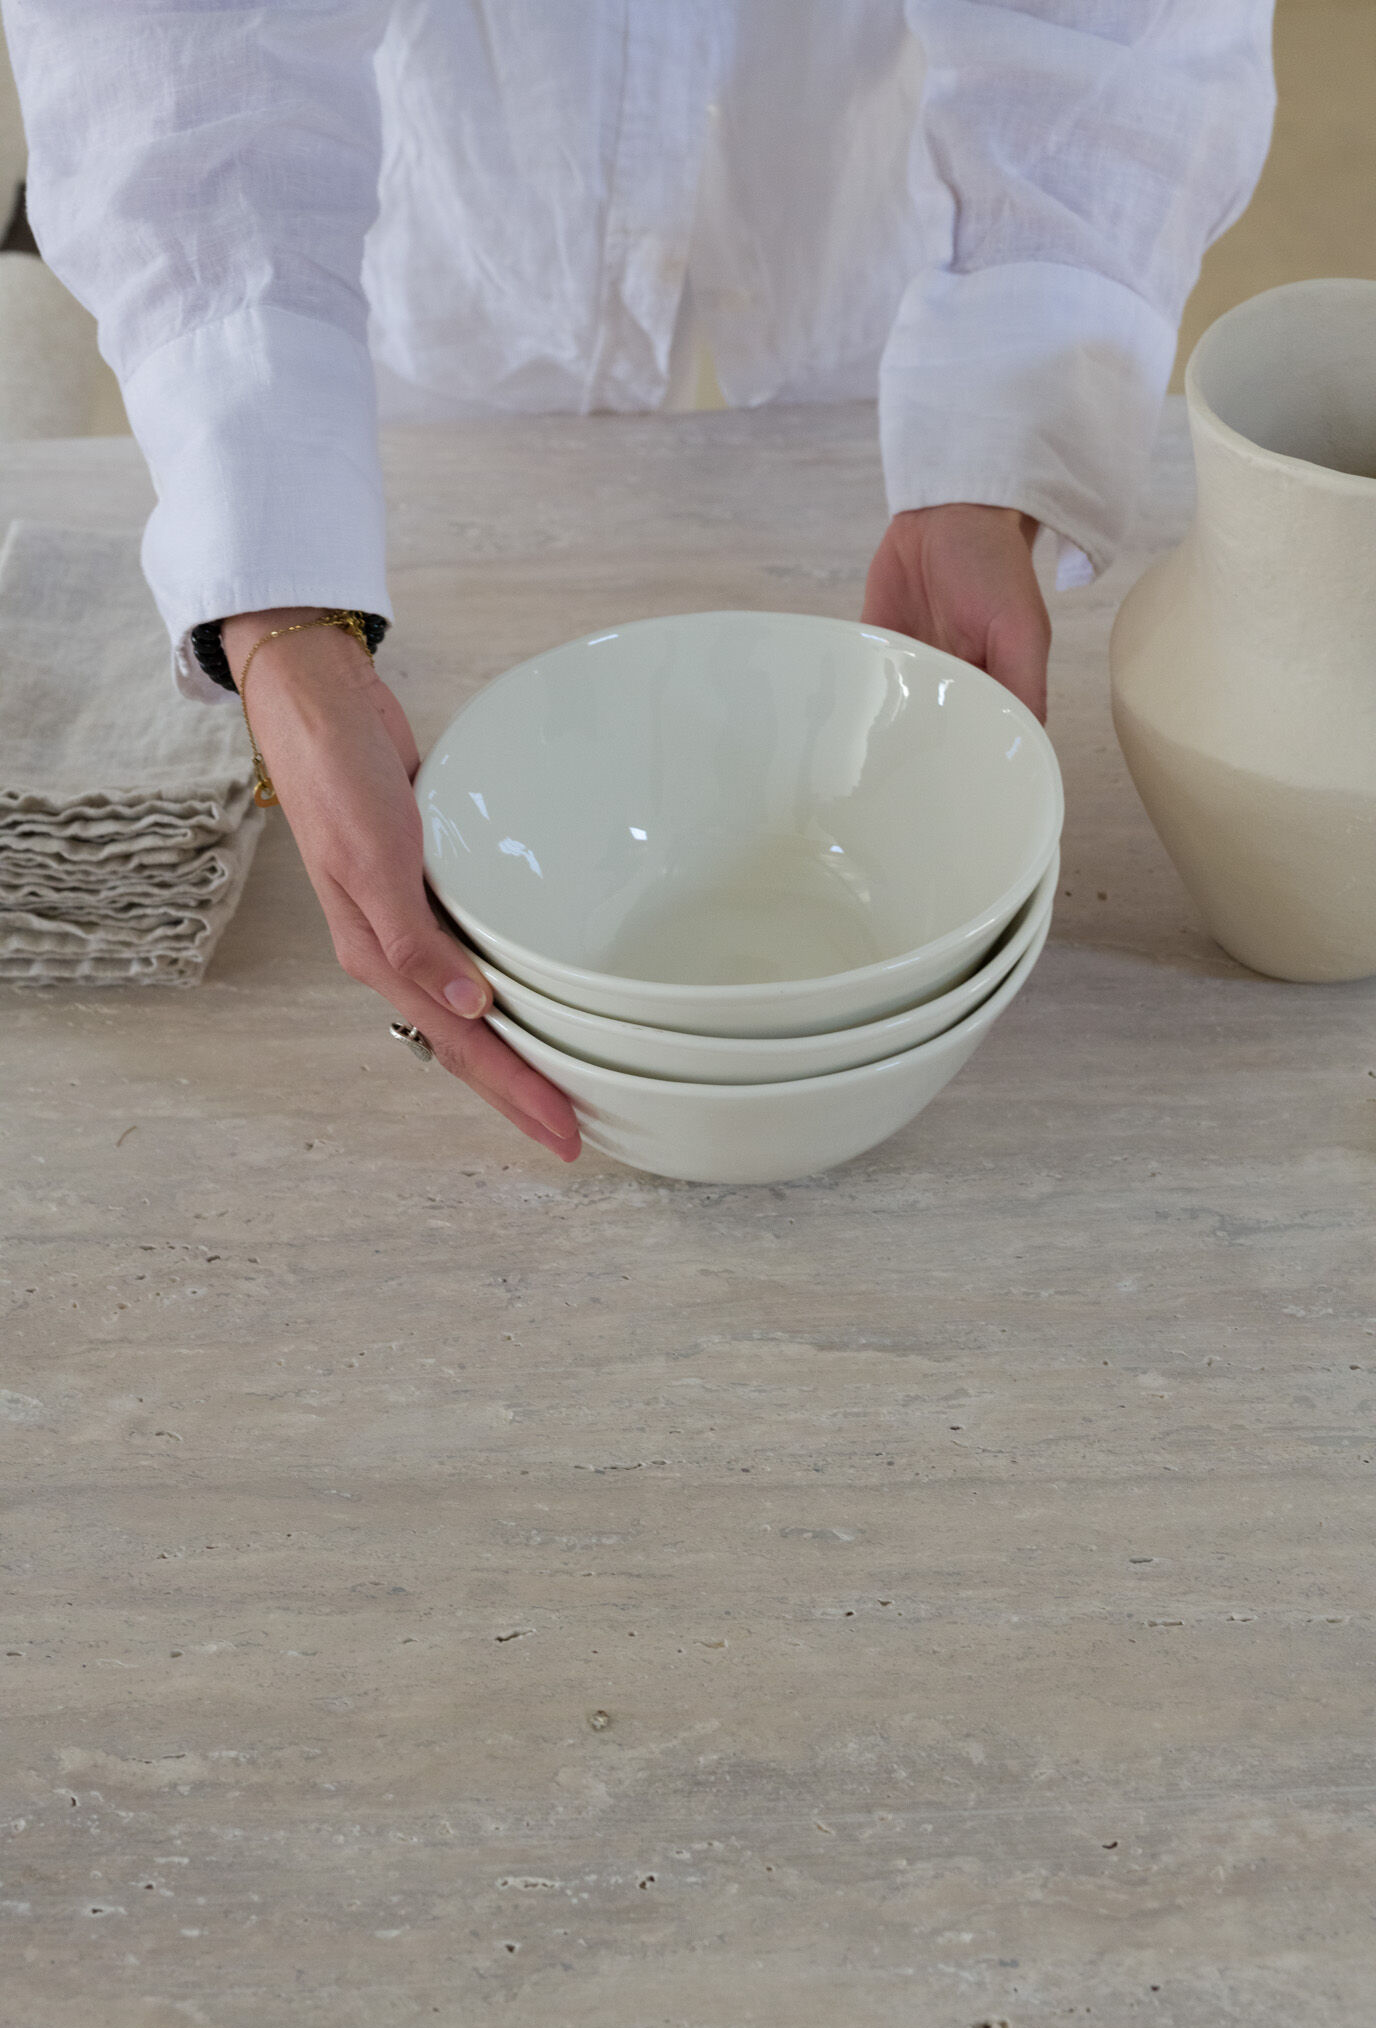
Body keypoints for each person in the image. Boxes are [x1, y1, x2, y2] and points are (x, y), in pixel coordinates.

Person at [3, 2, 1275, 1161]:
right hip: (456, 249)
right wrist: (283, 603)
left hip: (878, 220)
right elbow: (180, 40)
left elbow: (1118, 31)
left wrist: (996, 443)